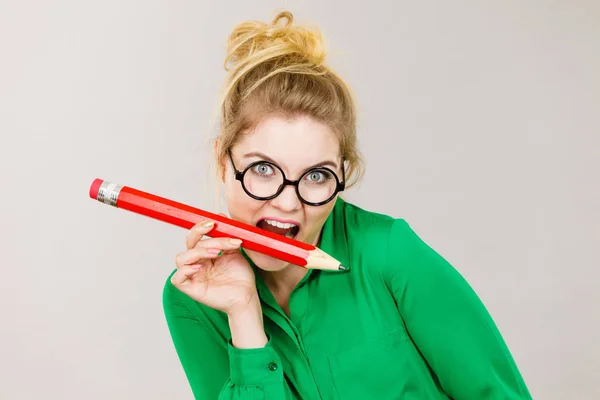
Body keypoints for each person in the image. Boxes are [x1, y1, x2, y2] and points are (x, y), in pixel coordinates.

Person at [162, 10, 532, 400]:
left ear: (343, 174)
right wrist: (244, 316)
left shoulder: (389, 253)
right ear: (224, 162)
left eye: (317, 176)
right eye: (264, 169)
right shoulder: (191, 298)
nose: (288, 202)